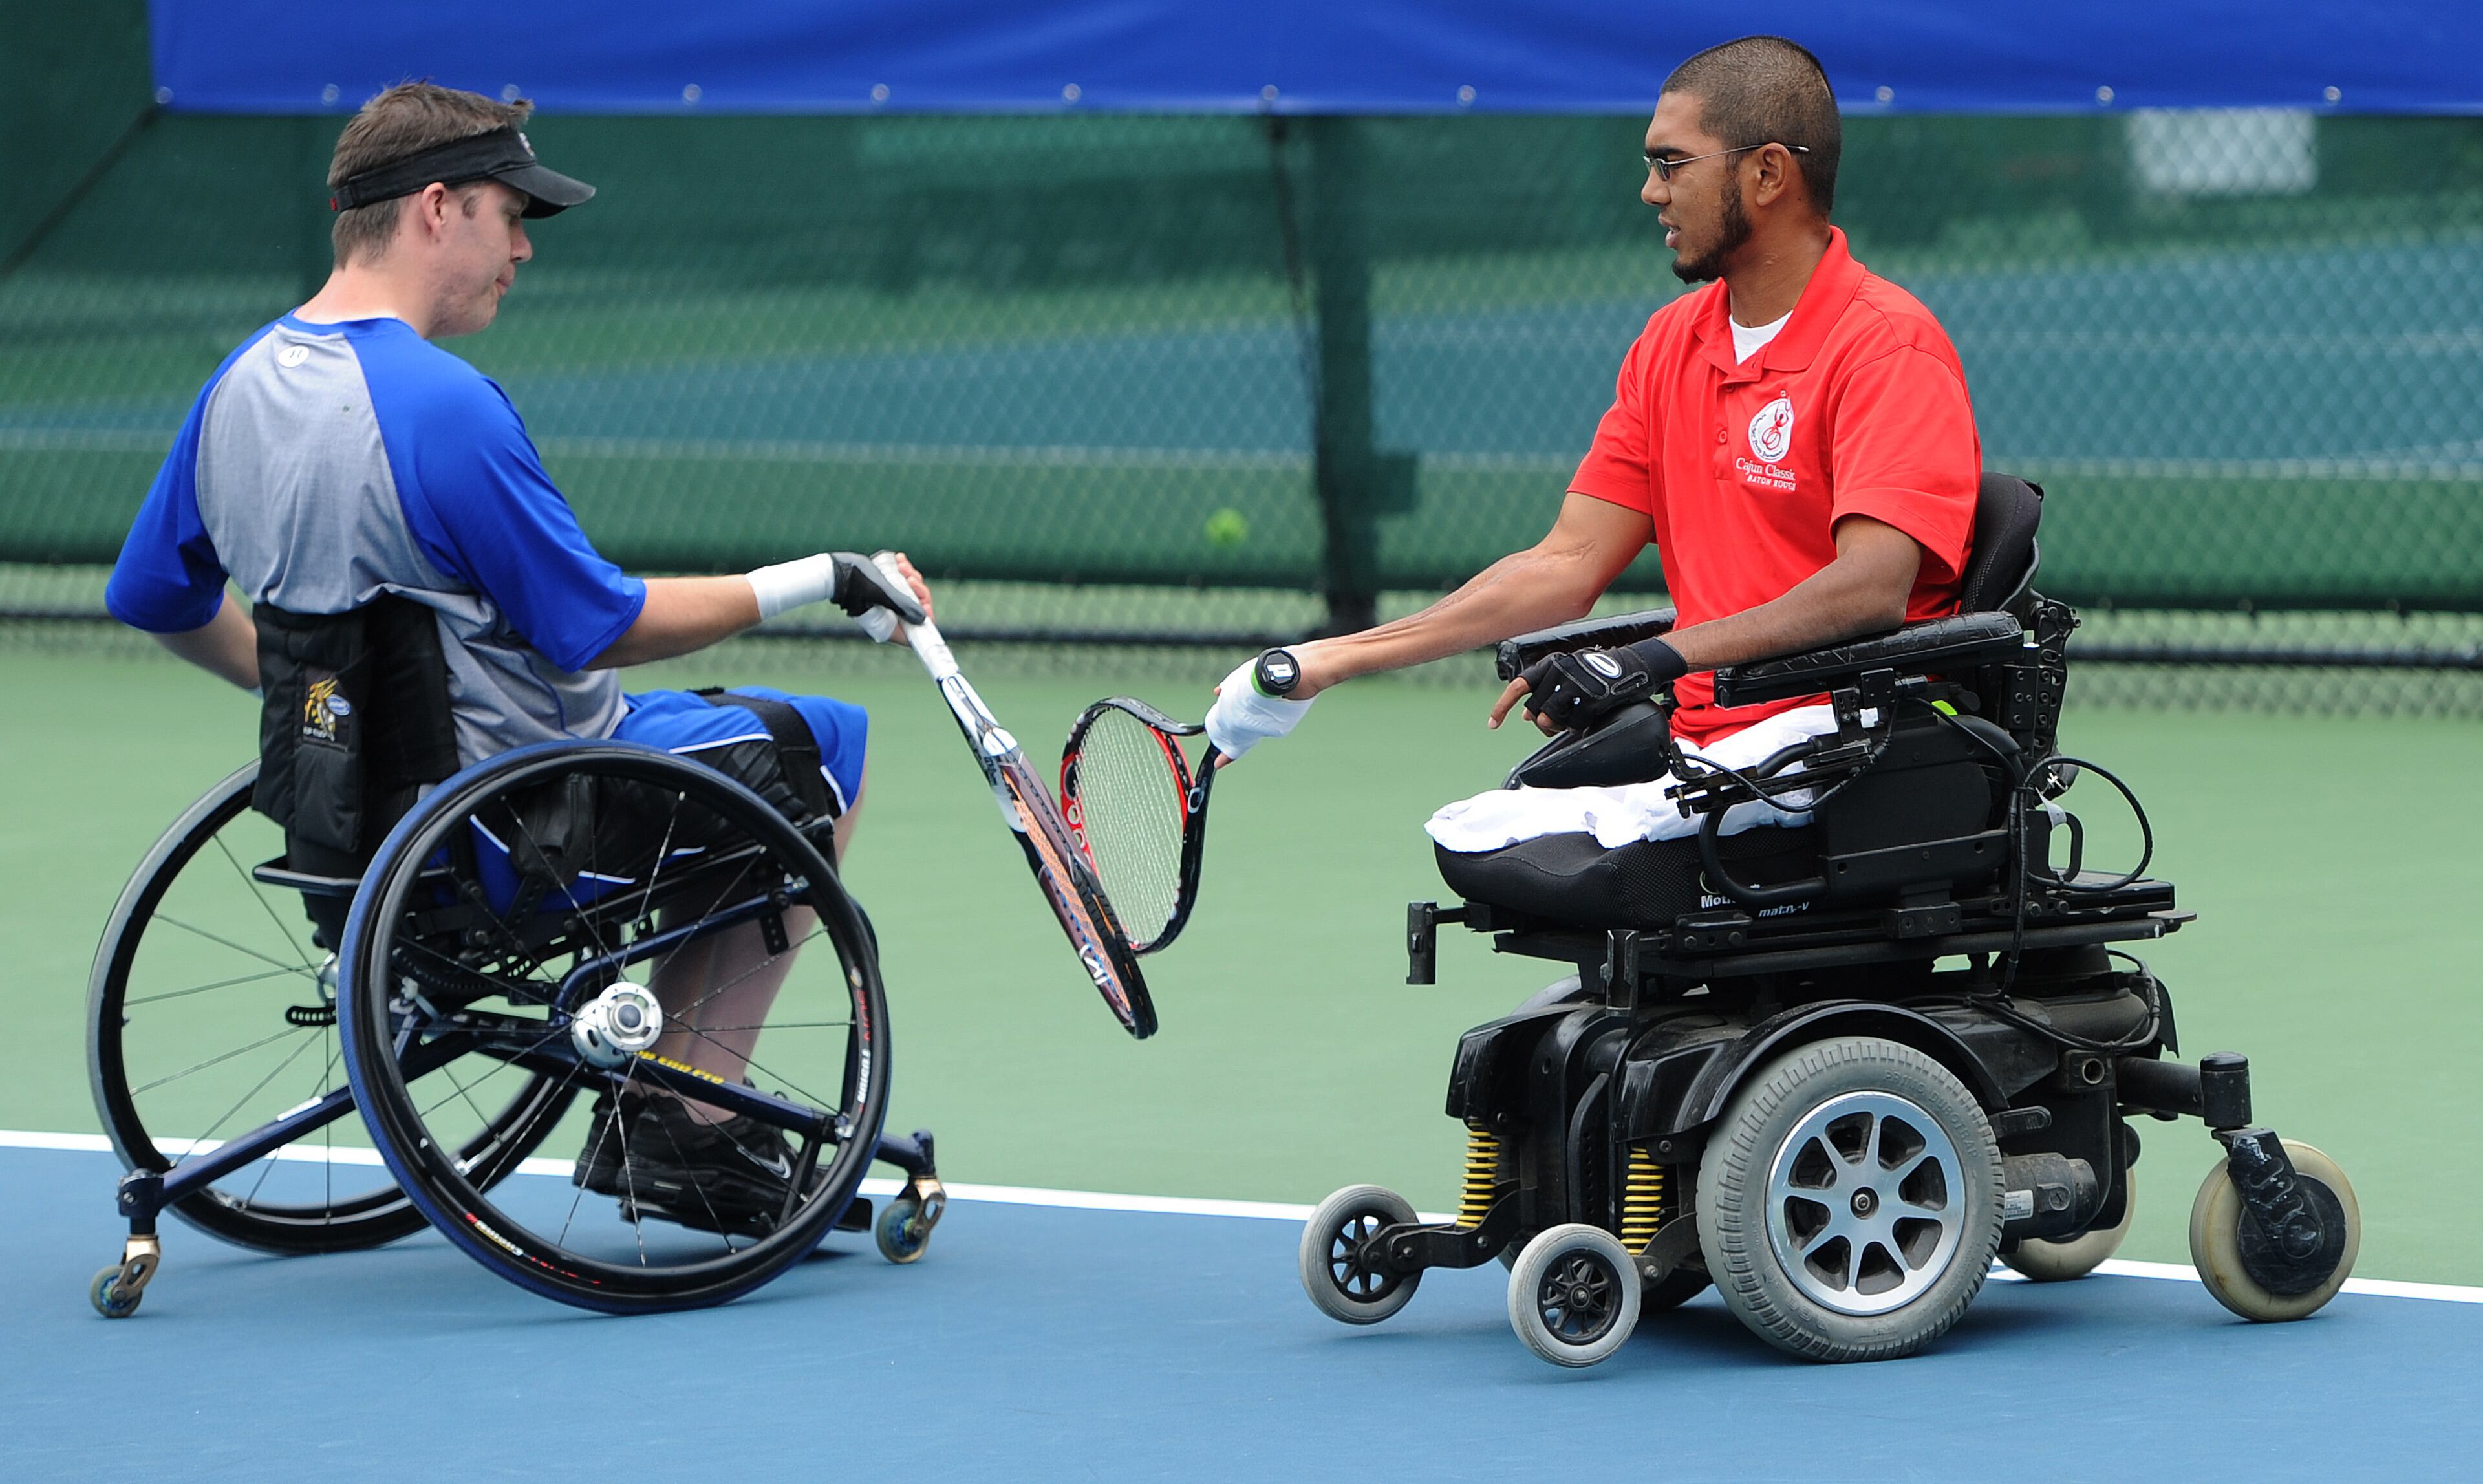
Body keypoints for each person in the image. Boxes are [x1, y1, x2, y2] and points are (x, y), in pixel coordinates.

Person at [102, 82, 929, 1234]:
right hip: (524, 831)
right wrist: (821, 576)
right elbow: (597, 624)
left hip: (350, 833)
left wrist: (316, 705)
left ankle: (678, 1112)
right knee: (824, 747)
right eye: (511, 213)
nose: (526, 248)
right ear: (437, 209)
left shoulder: (233, 390)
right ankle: (687, 1129)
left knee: (713, 738)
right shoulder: (446, 407)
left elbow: (154, 596)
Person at [1205, 36, 1982, 855]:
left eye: (1671, 163)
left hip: (1851, 743)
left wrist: (1651, 657)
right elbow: (1566, 565)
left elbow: (1869, 589)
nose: (1650, 192)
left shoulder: (1889, 347)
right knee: (1486, 834)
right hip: (1708, 742)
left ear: (1766, 175)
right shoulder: (1671, 342)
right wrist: (1327, 661)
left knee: (1521, 847)